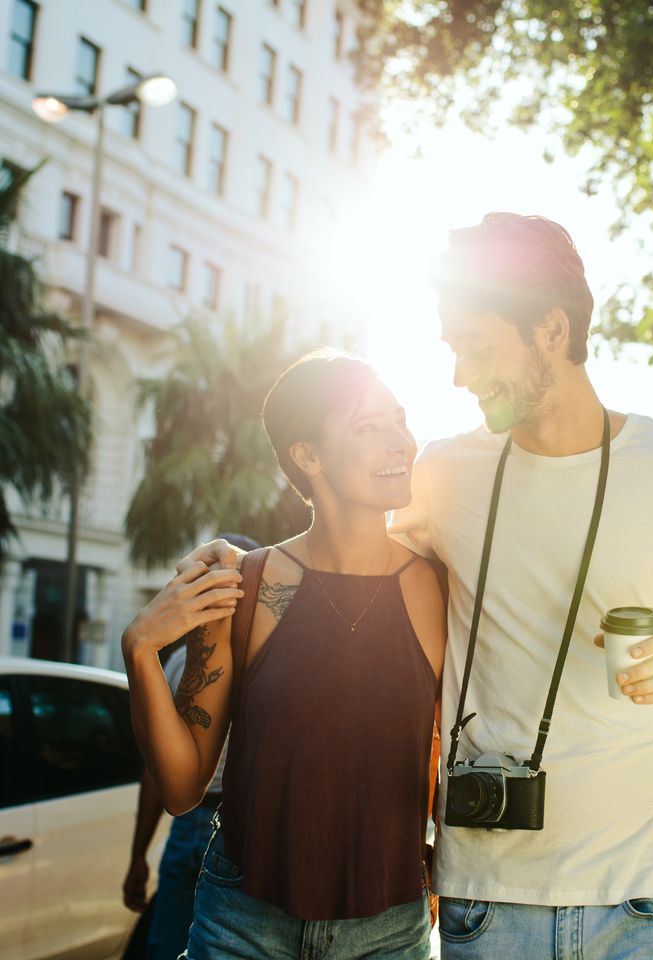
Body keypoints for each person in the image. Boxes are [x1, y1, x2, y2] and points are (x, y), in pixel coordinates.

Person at [391, 213, 653, 958]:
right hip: (488, 899)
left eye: (477, 347)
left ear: (552, 330)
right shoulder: (441, 472)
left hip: (646, 896)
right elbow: (351, 573)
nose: (461, 375)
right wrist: (244, 566)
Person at [121, 351, 446, 960]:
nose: (400, 442)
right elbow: (181, 787)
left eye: (399, 421)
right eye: (368, 428)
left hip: (389, 932)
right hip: (241, 926)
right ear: (308, 455)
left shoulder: (437, 588)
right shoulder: (242, 587)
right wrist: (139, 652)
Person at [122, 534, 259, 960]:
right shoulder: (259, 652)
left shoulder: (184, 659)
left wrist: (138, 856)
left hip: (202, 824)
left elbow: (156, 772)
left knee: (171, 943)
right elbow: (160, 773)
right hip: (231, 824)